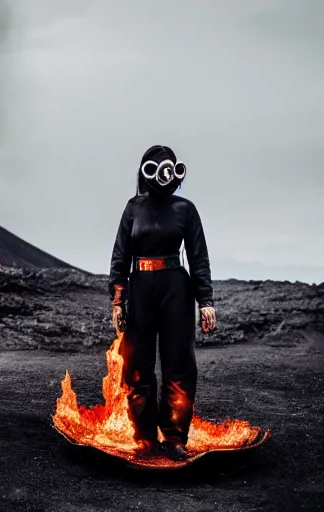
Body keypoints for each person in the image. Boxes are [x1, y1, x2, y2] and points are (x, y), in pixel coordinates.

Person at [109, 144, 216, 461]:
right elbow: (120, 256)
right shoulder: (133, 208)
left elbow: (199, 258)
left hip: (176, 291)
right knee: (138, 367)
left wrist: (205, 301)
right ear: (145, 172)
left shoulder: (186, 209)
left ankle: (174, 439)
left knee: (179, 364)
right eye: (154, 167)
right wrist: (118, 301)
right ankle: (145, 439)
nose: (162, 174)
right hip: (139, 288)